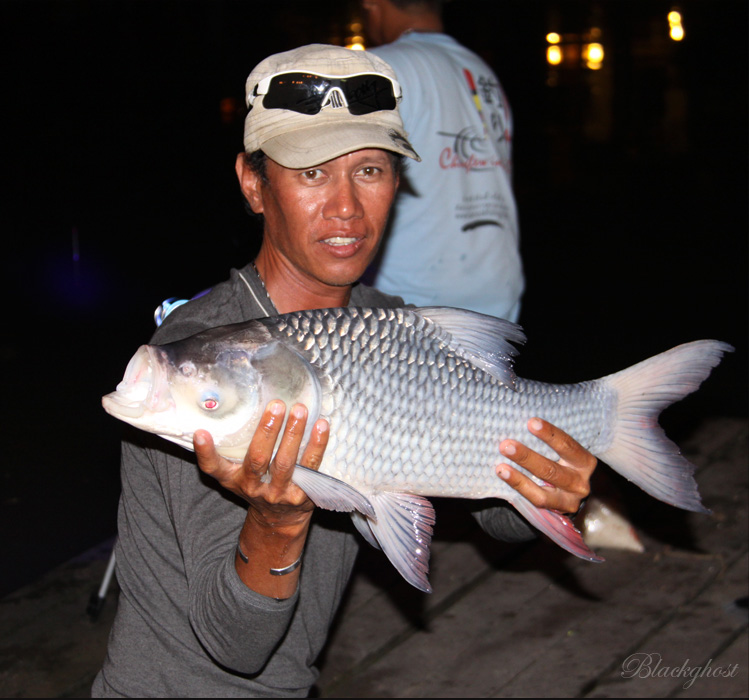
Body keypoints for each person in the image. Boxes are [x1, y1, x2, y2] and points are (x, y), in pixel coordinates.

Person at [92, 44, 595, 697]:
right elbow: (234, 647)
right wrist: (275, 521)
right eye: (309, 174)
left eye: (369, 170)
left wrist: (552, 482)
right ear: (253, 183)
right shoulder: (198, 361)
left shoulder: (387, 328)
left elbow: (487, 492)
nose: (346, 209)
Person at [361, 0, 523, 322]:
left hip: (413, 304)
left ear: (372, 5)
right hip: (497, 295)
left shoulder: (381, 69)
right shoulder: (480, 70)